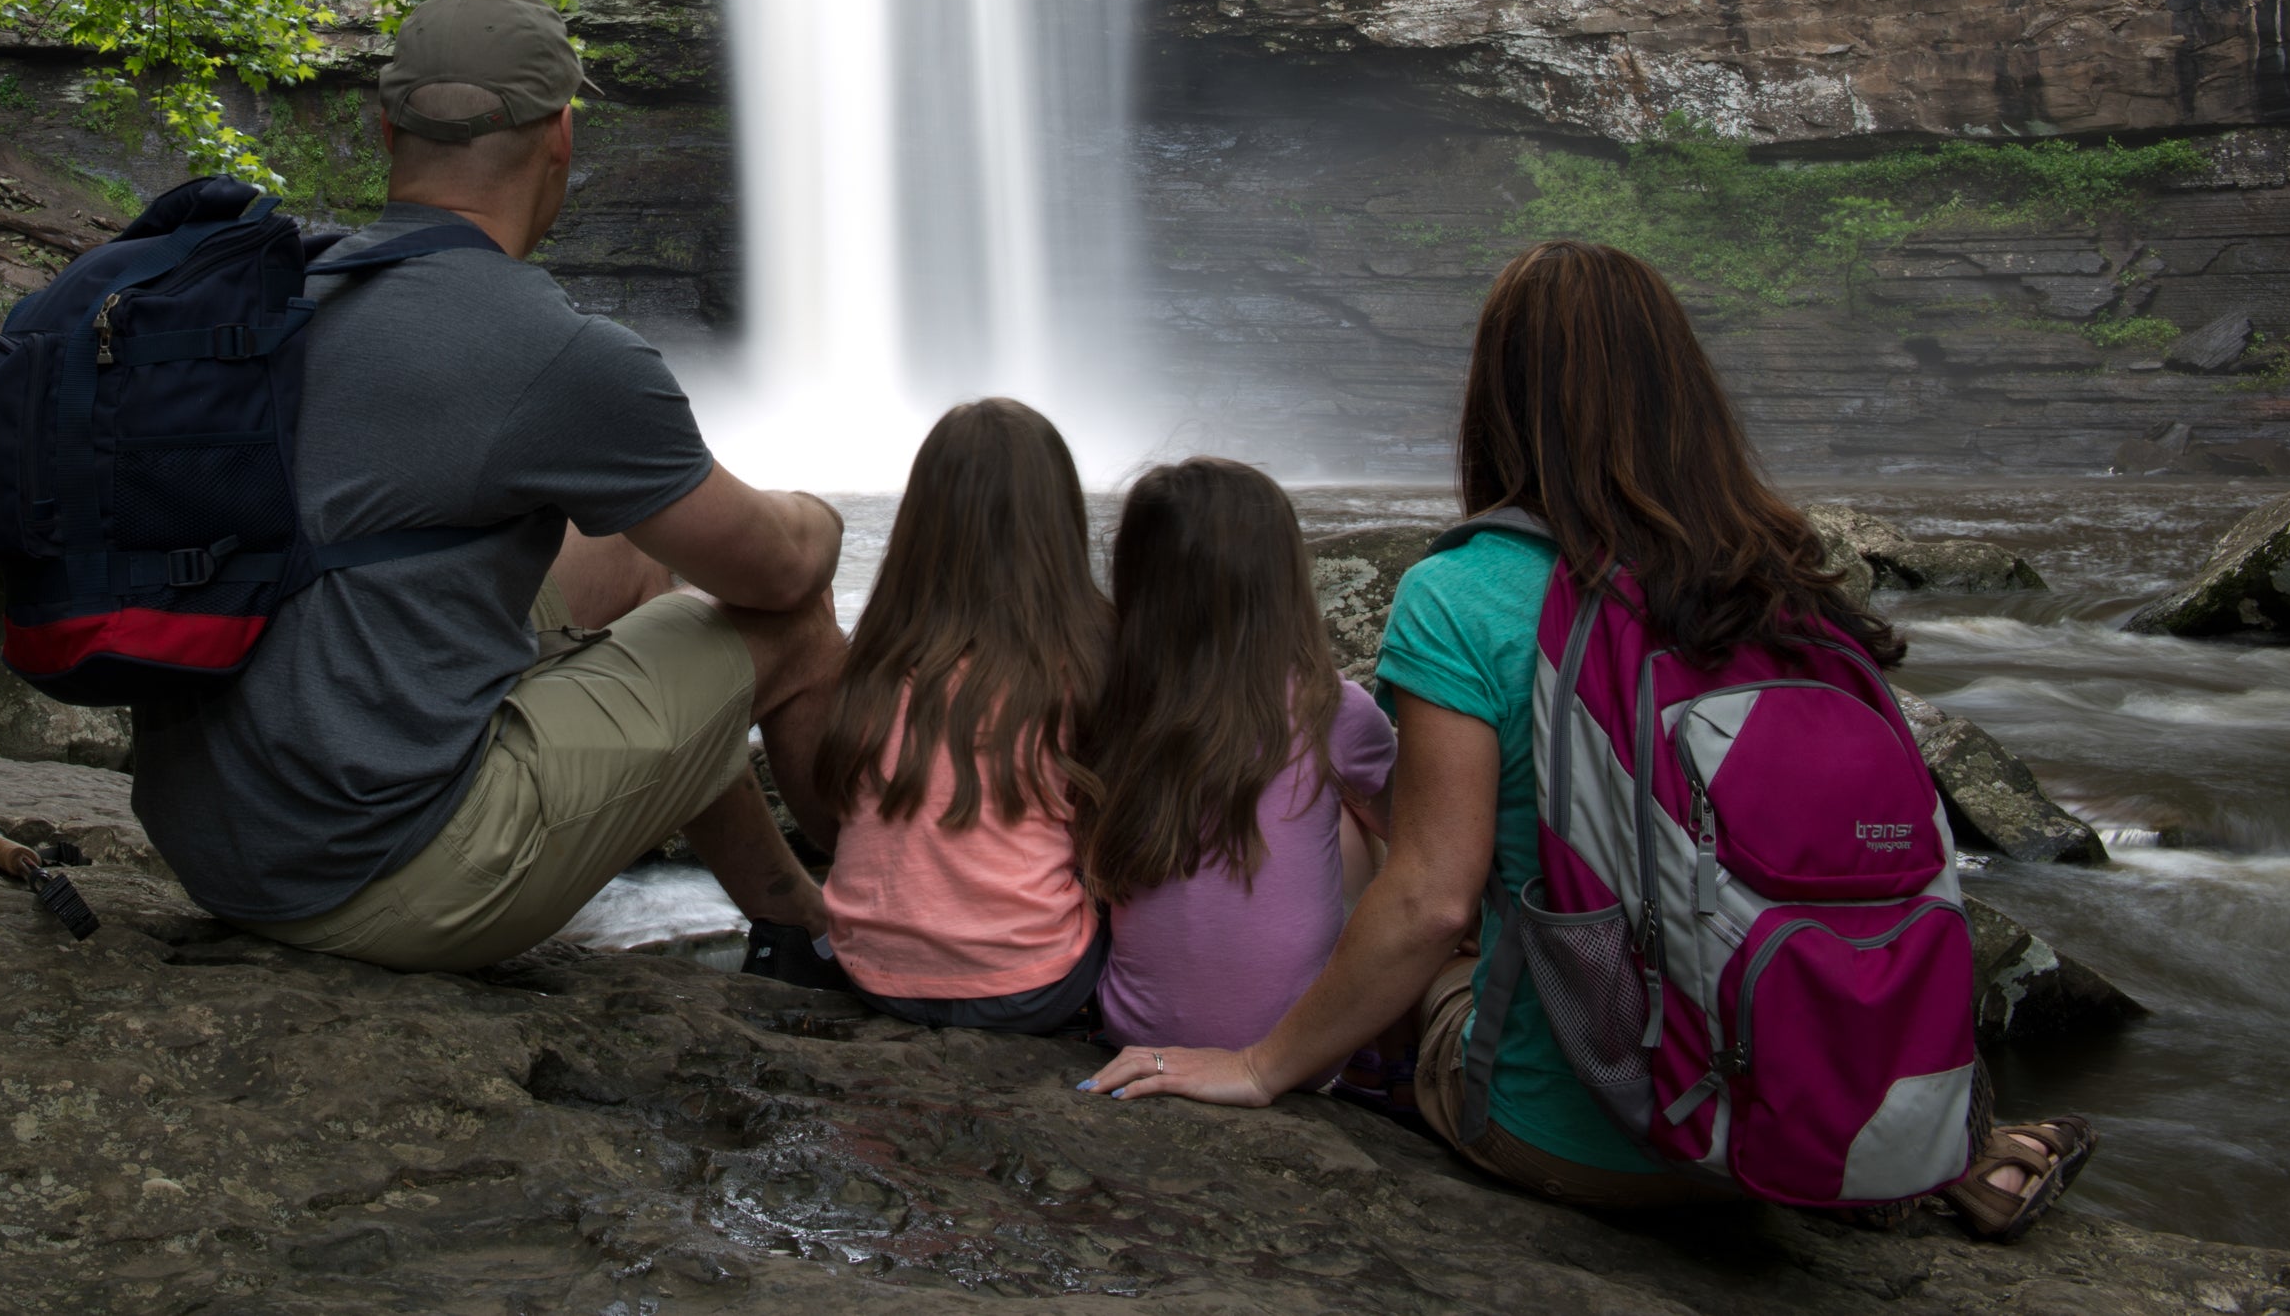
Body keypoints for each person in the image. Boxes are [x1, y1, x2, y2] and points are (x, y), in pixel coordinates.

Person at [1084, 241, 2097, 1242]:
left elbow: (1433, 901)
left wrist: (1259, 1065)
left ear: (1499, 400)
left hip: (1581, 1141)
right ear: (1684, 396)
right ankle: (1949, 1156)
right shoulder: (1782, 582)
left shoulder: (1461, 593)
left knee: (1410, 916)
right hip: (1801, 1135)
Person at [128, 0, 851, 975]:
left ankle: (785, 909)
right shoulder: (558, 354)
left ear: (387, 129)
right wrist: (819, 519)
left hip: (217, 844)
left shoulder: (288, 288)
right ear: (561, 135)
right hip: (390, 875)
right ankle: (897, 918)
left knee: (641, 556)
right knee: (790, 622)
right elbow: (773, 573)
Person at [1078, 458, 1397, 1062]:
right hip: (1298, 1054)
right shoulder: (1335, 708)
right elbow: (1427, 845)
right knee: (1353, 815)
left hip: (1133, 1037)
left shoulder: (1107, 704)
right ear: (1282, 580)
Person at [813, 398, 1111, 1032]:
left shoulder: (874, 658)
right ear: (1059, 524)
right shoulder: (1084, 659)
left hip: (870, 973)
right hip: (1034, 987)